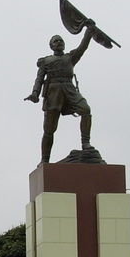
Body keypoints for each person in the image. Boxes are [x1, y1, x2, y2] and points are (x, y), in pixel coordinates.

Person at [24, 20, 96, 163]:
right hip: (53, 92)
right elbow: (39, 79)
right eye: (55, 41)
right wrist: (35, 93)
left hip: (69, 89)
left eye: (61, 41)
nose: (59, 43)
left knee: (85, 109)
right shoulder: (46, 61)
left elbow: (83, 47)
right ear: (51, 46)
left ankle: (85, 143)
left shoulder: (70, 57)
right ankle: (45, 159)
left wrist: (89, 31)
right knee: (49, 129)